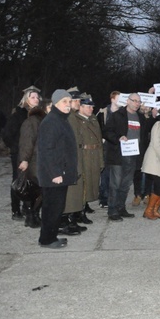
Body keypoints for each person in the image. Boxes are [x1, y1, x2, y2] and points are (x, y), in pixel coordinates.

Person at [37, 90, 77, 249]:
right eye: (64, 101)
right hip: (54, 175)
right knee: (51, 208)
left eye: (69, 101)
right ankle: (46, 239)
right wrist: (55, 173)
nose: (68, 104)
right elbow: (47, 150)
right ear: (55, 103)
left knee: (57, 207)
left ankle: (51, 235)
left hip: (61, 173)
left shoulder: (61, 119)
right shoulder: (51, 121)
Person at [103, 93, 148, 221]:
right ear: (128, 101)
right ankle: (112, 210)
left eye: (139, 101)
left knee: (126, 184)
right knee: (115, 184)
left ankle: (121, 208)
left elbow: (144, 136)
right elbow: (107, 131)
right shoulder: (117, 115)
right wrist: (118, 138)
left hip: (134, 155)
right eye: (134, 101)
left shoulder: (141, 117)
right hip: (118, 155)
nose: (137, 103)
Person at [2, 85, 41, 220]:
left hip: (33, 153)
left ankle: (28, 208)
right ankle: (15, 210)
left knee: (32, 181)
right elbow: (7, 134)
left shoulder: (38, 114)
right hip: (20, 154)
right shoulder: (19, 114)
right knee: (19, 181)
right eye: (33, 97)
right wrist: (16, 147)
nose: (36, 99)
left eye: (37, 97)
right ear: (26, 99)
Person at [66, 95, 103, 228]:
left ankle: (83, 206)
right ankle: (79, 212)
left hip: (94, 155)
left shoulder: (93, 119)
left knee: (91, 183)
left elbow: (99, 140)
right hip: (84, 155)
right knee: (83, 184)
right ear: (80, 107)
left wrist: (101, 160)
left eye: (92, 107)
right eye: (88, 106)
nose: (91, 109)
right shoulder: (74, 119)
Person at [17, 100, 51, 228]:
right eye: (50, 106)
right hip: (34, 161)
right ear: (44, 108)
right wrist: (24, 159)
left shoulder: (45, 120)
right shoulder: (32, 121)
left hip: (43, 160)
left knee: (40, 190)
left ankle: (35, 215)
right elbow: (27, 141)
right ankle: (31, 216)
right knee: (33, 189)